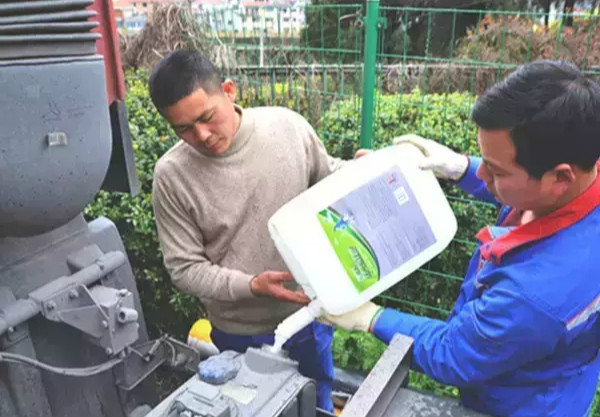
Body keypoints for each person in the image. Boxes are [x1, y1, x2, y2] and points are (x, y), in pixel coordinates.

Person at [321, 60, 600, 417]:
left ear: (560, 178)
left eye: (495, 171)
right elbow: (523, 185)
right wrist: (460, 167)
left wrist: (371, 317)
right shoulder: (580, 170)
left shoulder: (537, 293)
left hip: (518, 406)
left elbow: (453, 353)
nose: (483, 175)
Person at [149, 50, 343, 411]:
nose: (201, 135)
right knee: (253, 409)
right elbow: (184, 268)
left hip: (308, 315)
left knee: (317, 401)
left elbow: (329, 181)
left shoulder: (287, 128)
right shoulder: (172, 176)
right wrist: (251, 285)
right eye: (183, 129)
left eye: (206, 117)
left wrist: (366, 171)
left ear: (229, 90)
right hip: (237, 331)